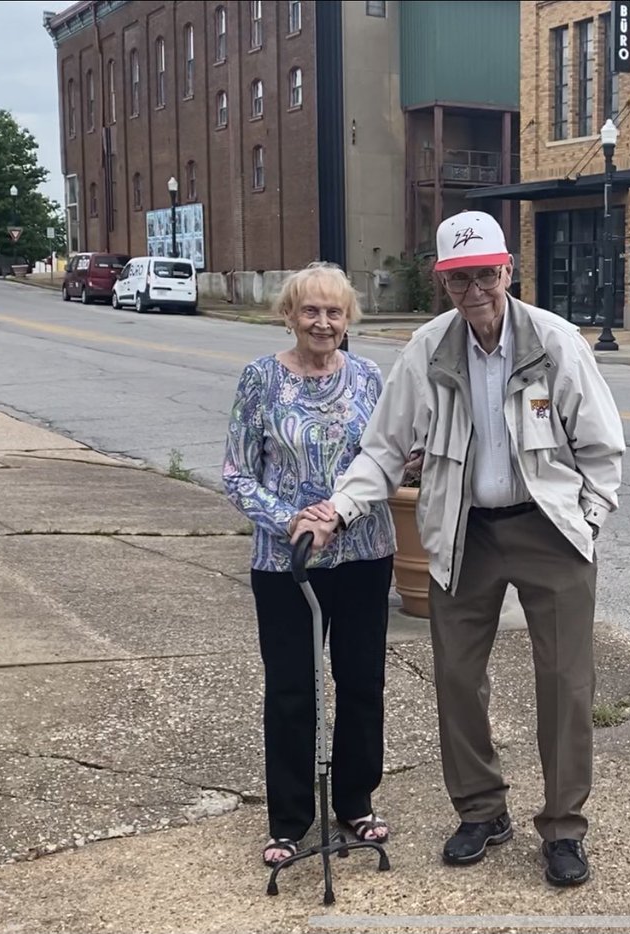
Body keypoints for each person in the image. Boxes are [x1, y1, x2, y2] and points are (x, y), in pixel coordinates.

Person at [293, 211, 625, 888]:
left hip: (548, 529)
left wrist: (589, 520)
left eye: (484, 275)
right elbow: (384, 448)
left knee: (565, 683)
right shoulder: (428, 349)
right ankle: (481, 811)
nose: (473, 290)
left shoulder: (554, 342)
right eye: (457, 279)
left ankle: (563, 827)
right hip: (462, 528)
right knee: (456, 679)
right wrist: (341, 508)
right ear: (443, 282)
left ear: (507, 271)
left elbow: (600, 444)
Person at [222, 262, 397, 869]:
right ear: (289, 316)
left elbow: (388, 456)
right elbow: (237, 473)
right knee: (293, 689)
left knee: (360, 683)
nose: (323, 322)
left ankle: (355, 799)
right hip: (284, 561)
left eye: (335, 311)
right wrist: (289, 519)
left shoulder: (371, 377)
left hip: (364, 552)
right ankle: (291, 818)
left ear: (349, 319)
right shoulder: (260, 380)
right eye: (311, 311)